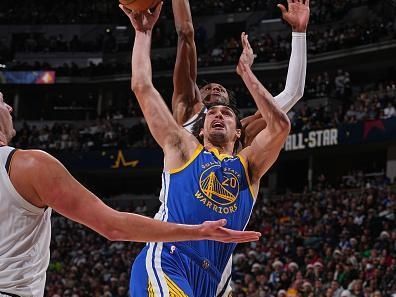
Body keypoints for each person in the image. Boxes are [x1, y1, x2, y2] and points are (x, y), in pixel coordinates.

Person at [0, 92, 261, 297]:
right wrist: (198, 231)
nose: (10, 108)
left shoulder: (240, 164)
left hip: (209, 271)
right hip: (171, 257)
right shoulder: (28, 166)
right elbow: (112, 226)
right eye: (2, 101)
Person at [120, 3, 291, 296]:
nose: (218, 114)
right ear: (200, 128)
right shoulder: (182, 148)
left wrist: (247, 73)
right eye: (212, 112)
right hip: (169, 259)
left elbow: (280, 126)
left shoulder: (248, 167)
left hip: (211, 278)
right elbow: (142, 87)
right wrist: (143, 33)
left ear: (239, 130)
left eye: (226, 112)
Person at [171, 0, 309, 145]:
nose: (216, 88)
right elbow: (185, 34)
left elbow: (293, 93)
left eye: (221, 89)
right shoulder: (187, 114)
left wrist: (299, 32)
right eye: (207, 89)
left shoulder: (240, 132)